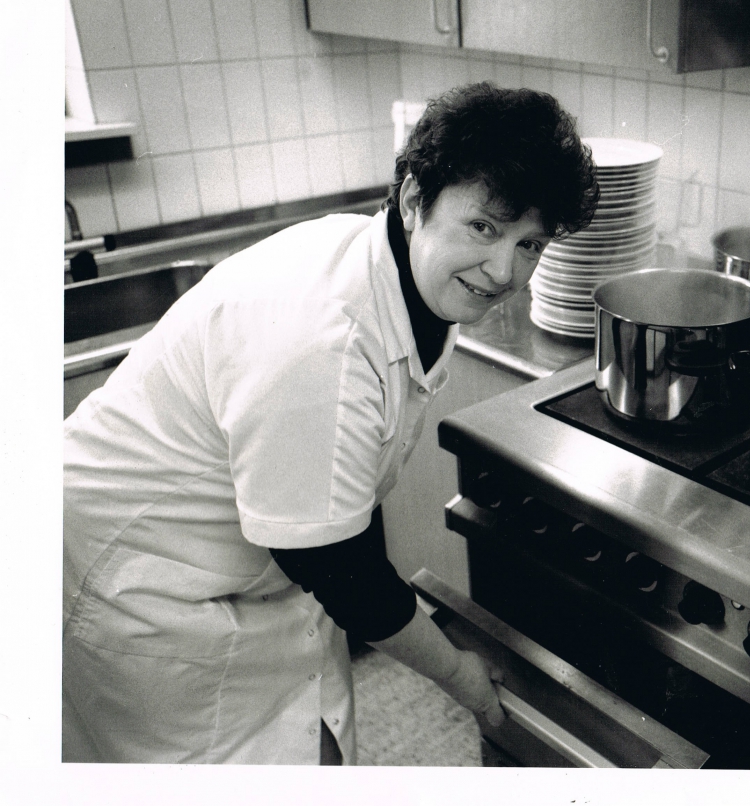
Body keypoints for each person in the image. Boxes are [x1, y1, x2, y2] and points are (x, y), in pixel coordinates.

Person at [61, 82, 599, 764]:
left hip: (241, 568)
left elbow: (338, 524)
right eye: (484, 228)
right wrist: (459, 674)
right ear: (414, 200)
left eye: (531, 244)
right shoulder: (324, 341)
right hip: (143, 586)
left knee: (310, 749)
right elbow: (344, 573)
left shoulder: (406, 275)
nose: (503, 271)